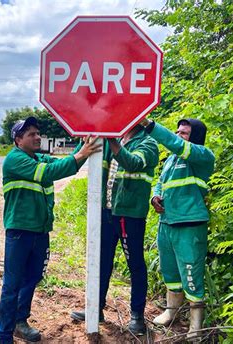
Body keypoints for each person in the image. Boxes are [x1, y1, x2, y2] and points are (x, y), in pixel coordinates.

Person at [0, 116, 101, 343]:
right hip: (20, 231)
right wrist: (81, 154)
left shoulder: (39, 158)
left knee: (32, 277)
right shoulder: (14, 160)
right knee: (12, 283)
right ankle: (4, 334)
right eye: (30, 134)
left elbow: (64, 166)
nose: (37, 137)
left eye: (37, 133)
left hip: (40, 231)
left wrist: (83, 151)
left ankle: (20, 321)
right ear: (17, 139)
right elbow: (46, 173)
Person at [71, 124, 159, 336]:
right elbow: (82, 155)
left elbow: (133, 163)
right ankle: (95, 309)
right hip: (106, 211)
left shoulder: (148, 143)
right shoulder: (111, 140)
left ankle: (137, 315)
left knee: (135, 264)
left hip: (130, 214)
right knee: (100, 262)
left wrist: (111, 138)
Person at [140, 117, 215, 337]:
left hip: (189, 225)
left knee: (191, 273)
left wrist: (149, 124)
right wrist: (155, 196)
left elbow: (176, 144)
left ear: (195, 137)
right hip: (167, 223)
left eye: (183, 132)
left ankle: (196, 324)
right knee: (170, 270)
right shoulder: (171, 161)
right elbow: (161, 182)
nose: (177, 134)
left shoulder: (202, 155)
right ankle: (171, 311)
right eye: (177, 131)